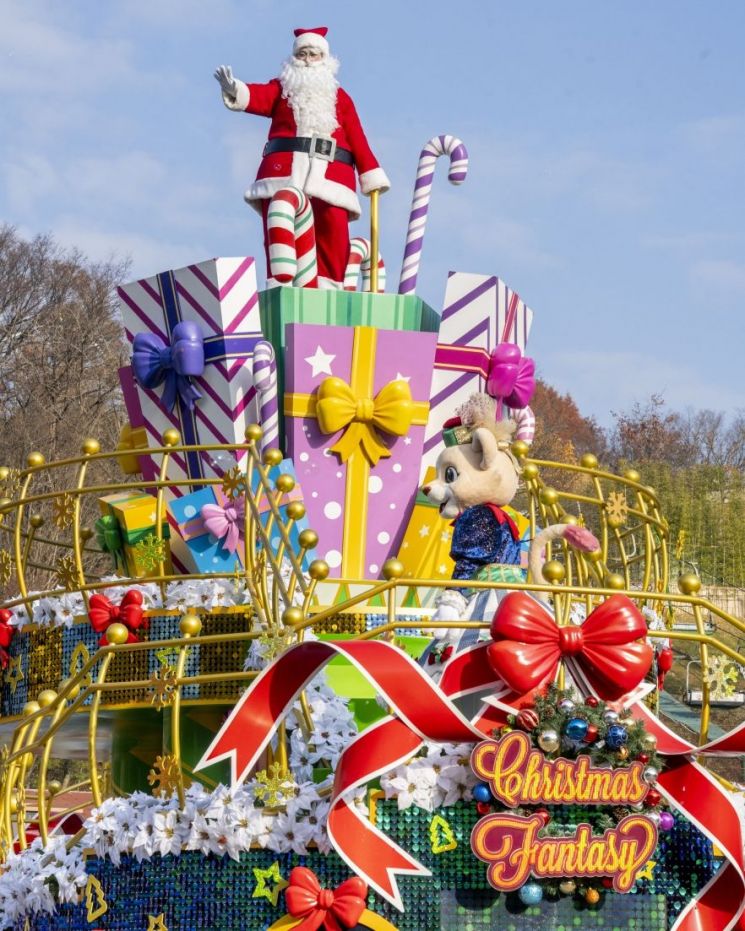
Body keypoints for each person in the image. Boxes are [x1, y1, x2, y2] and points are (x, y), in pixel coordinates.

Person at [214, 26, 390, 289]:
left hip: (331, 177)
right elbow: (257, 96)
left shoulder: (341, 100)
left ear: (326, 60)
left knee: (333, 228)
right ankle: (282, 283)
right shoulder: (282, 90)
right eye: (303, 54)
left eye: (314, 54)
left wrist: (370, 173)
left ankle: (331, 287)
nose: (308, 60)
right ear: (294, 58)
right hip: (283, 172)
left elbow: (357, 138)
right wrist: (235, 88)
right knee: (280, 224)